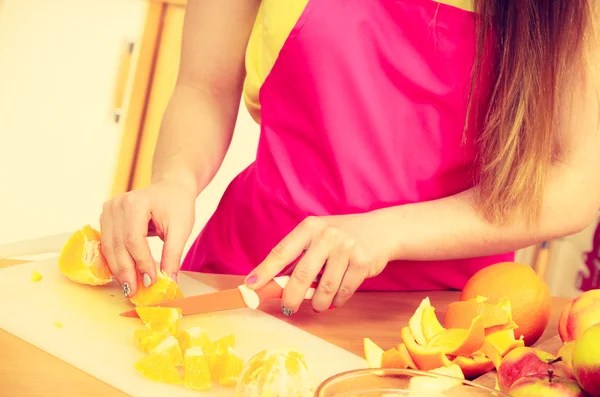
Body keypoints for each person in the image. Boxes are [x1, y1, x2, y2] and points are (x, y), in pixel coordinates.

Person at [100, 0, 600, 315]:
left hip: (446, 325)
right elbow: (202, 86)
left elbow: (576, 182)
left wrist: (386, 231)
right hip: (250, 281)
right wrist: (174, 179)